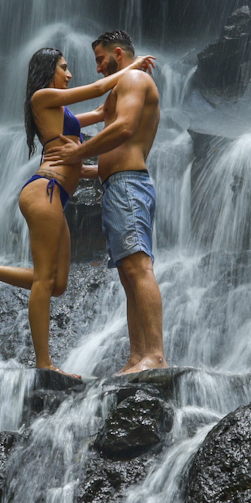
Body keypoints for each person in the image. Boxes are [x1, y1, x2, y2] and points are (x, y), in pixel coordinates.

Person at [0, 45, 154, 376]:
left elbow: (98, 111)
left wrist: (125, 92)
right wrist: (135, 67)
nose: (69, 74)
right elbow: (97, 89)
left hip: (55, 199)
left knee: (56, 284)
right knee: (43, 282)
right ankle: (44, 364)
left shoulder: (61, 116)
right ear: (47, 70)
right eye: (64, 68)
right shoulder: (41, 98)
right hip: (44, 192)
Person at [52, 29, 165, 374]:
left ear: (118, 53)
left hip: (128, 185)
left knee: (138, 267)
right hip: (117, 185)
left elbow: (125, 128)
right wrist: (81, 167)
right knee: (127, 274)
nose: (99, 69)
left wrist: (78, 153)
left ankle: (155, 356)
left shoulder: (132, 79)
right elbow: (104, 115)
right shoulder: (124, 83)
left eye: (101, 60)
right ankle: (136, 356)